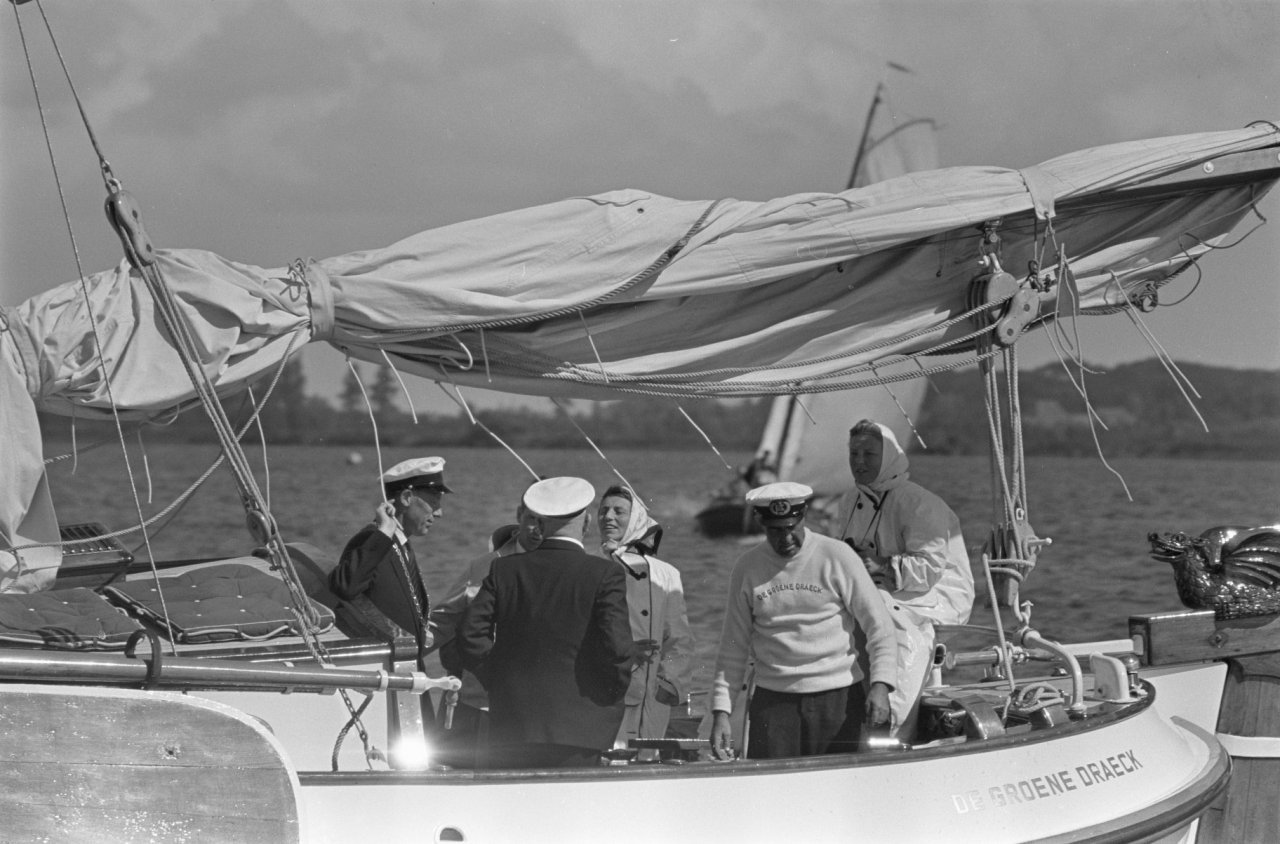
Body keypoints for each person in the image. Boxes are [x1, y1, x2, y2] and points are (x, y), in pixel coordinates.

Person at [456, 476, 635, 769]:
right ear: (587, 521)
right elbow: (617, 647)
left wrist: (498, 680)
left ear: (541, 522)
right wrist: (606, 694)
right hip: (582, 727)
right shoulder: (604, 574)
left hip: (513, 722)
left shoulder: (504, 570)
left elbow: (469, 635)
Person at [710, 482, 896, 761]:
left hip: (839, 700)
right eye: (775, 530)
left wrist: (881, 685)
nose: (785, 538)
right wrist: (721, 712)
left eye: (790, 528)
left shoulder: (837, 556)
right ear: (761, 522)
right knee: (774, 794)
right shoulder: (747, 568)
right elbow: (732, 648)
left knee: (841, 790)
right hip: (774, 705)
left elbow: (880, 628)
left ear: (804, 516)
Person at [837, 419, 975, 739]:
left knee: (883, 612)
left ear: (887, 458)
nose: (858, 461)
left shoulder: (918, 503)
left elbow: (929, 569)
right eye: (853, 453)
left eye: (868, 454)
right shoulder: (849, 501)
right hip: (882, 587)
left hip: (936, 596)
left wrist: (882, 566)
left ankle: (891, 724)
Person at [429, 496, 543, 768]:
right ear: (519, 515)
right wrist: (404, 648)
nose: (537, 529)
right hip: (478, 703)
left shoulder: (566, 570)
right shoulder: (483, 566)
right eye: (531, 519)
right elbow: (442, 621)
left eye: (546, 522)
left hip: (539, 709)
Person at [597, 485, 693, 757]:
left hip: (651, 694)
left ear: (637, 518)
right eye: (603, 511)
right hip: (602, 690)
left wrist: (671, 683)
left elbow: (680, 638)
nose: (609, 517)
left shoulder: (665, 574)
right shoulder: (590, 566)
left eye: (619, 511)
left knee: (643, 762)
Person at [329, 456, 450, 669]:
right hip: (387, 669)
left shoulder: (400, 544)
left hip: (407, 664)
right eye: (433, 501)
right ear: (406, 498)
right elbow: (345, 586)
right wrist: (383, 532)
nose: (439, 512)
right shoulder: (373, 541)